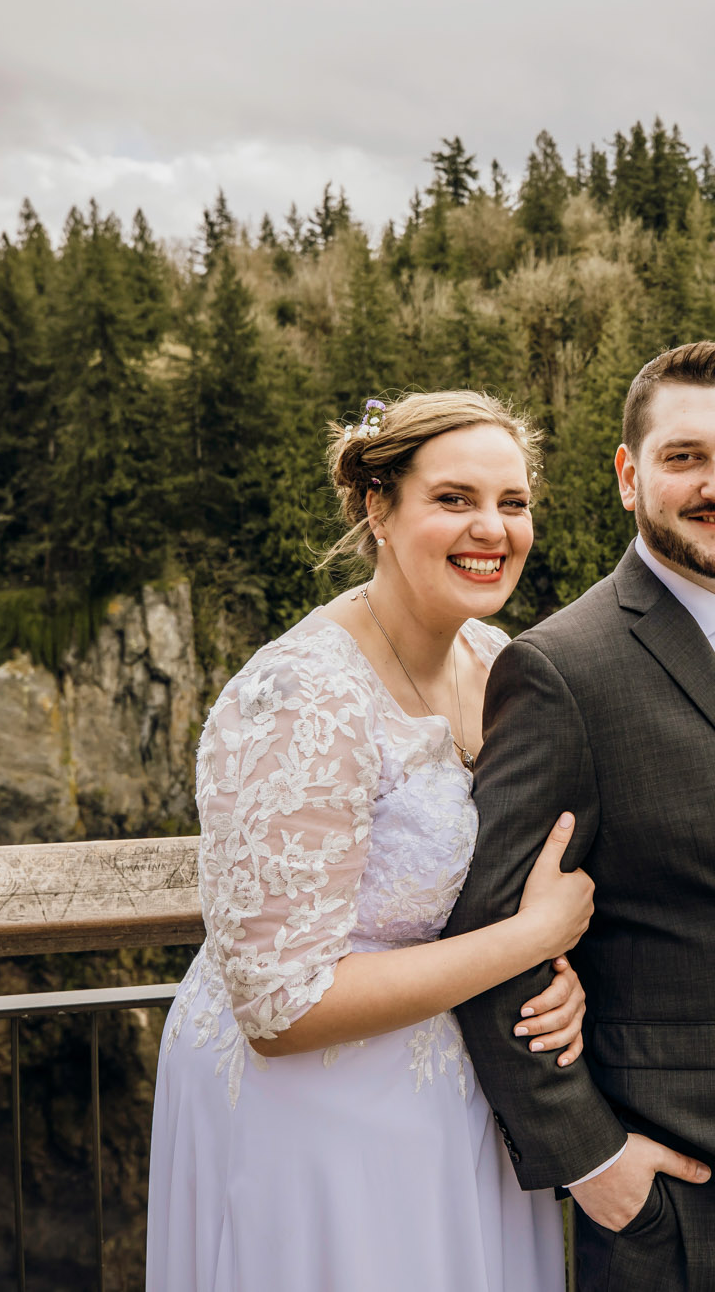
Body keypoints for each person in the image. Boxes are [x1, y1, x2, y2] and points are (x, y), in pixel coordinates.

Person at [446, 342, 715, 1292]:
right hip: (683, 1207)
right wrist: (591, 1159)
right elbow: (487, 934)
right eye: (684, 456)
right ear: (628, 475)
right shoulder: (562, 667)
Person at [147, 391, 595, 1291]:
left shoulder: (496, 663)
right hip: (312, 1123)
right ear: (378, 510)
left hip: (453, 1097)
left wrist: (557, 981)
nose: (492, 528)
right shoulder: (301, 695)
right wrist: (532, 940)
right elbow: (279, 1006)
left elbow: (493, 879)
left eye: (513, 503)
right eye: (455, 499)